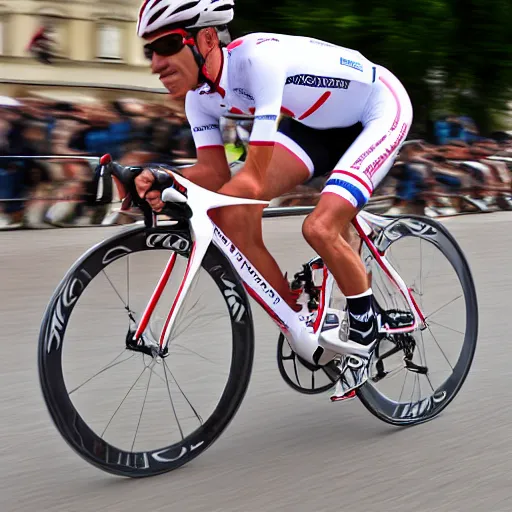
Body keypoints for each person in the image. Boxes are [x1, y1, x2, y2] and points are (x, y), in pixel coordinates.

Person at [133, 0, 413, 399]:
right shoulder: (200, 98)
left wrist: (173, 183)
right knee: (229, 219)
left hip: (378, 108)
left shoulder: (258, 61)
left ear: (207, 38)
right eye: (149, 51)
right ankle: (299, 314)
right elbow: (212, 173)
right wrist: (157, 176)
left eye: (166, 47)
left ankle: (366, 332)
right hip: (317, 127)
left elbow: (252, 177)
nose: (155, 63)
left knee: (318, 227)